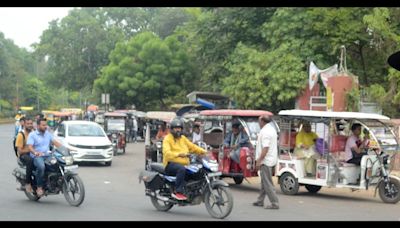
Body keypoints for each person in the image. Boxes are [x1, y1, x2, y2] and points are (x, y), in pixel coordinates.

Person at [162, 118, 206, 201]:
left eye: (179, 128)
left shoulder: (183, 138)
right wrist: (178, 154)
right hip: (170, 164)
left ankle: (191, 190)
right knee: (181, 169)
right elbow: (167, 153)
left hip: (184, 163)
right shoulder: (167, 139)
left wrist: (203, 151)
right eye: (176, 128)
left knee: (196, 169)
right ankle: (177, 191)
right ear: (172, 129)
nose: (178, 130)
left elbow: (192, 147)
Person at [27, 118, 63, 197]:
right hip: (37, 157)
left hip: (48, 155)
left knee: (59, 164)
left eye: (46, 125)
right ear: (38, 126)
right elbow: (30, 147)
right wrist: (35, 152)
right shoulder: (32, 135)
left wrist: (65, 149)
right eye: (43, 125)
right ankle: (39, 187)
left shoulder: (48, 134)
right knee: (41, 167)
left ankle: (56, 182)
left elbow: (55, 142)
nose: (45, 126)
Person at [253, 115, 279, 209]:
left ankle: (274, 203)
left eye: (259, 121)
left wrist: (259, 161)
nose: (258, 123)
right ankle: (260, 200)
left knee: (267, 182)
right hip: (270, 159)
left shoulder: (265, 132)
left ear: (263, 121)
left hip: (266, 160)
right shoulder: (271, 129)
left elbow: (265, 148)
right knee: (264, 181)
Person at [15, 117, 34, 193]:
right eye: (28, 124)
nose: (30, 125)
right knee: (30, 160)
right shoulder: (21, 135)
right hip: (24, 155)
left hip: (34, 153)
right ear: (24, 124)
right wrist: (31, 150)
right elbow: (20, 151)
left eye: (31, 123)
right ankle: (28, 183)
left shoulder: (34, 133)